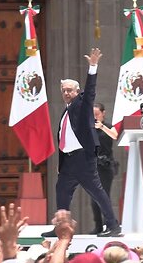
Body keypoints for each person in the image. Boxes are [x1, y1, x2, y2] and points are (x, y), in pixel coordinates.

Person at [41, 48, 121, 237]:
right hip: (69, 161)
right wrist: (62, 165)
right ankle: (61, 226)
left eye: (70, 90)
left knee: (97, 193)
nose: (67, 93)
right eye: (64, 90)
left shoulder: (81, 103)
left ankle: (113, 226)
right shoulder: (66, 110)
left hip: (83, 159)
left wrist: (93, 67)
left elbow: (91, 90)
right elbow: (63, 138)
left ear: (77, 92)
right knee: (61, 190)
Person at [90, 103, 118, 234]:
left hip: (106, 165)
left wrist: (101, 127)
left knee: (103, 196)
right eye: (92, 115)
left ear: (103, 114)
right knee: (93, 199)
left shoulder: (108, 126)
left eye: (97, 114)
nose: (95, 117)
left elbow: (114, 135)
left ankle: (112, 226)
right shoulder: (88, 128)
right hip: (93, 166)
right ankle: (98, 226)